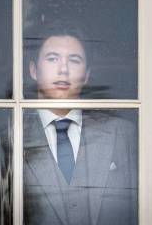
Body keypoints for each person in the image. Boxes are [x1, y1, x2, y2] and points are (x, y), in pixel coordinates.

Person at [23, 27, 138, 225]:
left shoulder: (123, 134)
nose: (63, 69)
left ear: (86, 75)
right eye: (52, 58)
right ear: (33, 70)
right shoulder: (7, 142)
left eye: (74, 60)